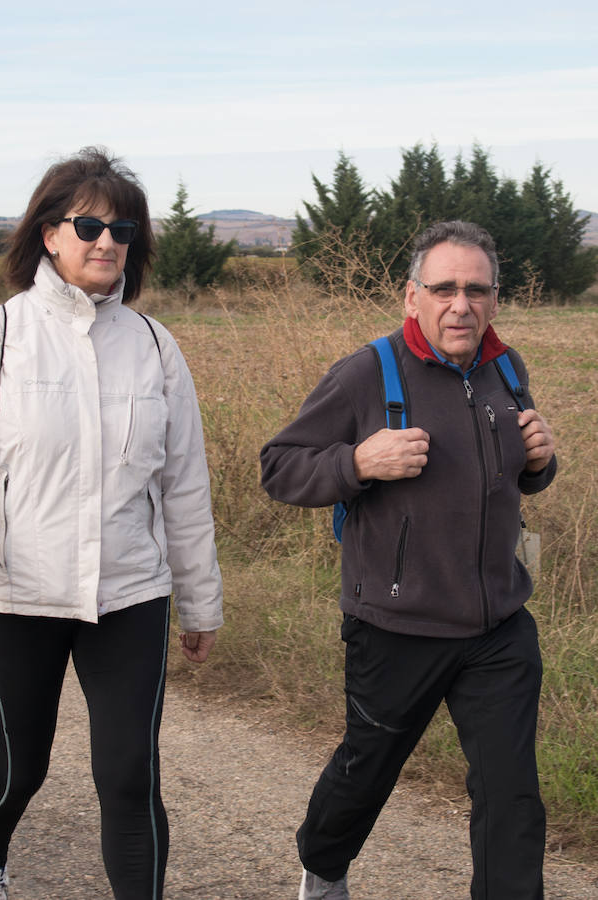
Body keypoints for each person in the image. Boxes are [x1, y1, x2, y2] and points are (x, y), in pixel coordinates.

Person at [0, 147, 223, 900]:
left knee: (128, 776)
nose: (106, 240)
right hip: (15, 597)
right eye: (88, 224)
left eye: (122, 229)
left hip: (129, 594)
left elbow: (182, 483)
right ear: (49, 234)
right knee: (20, 768)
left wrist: (200, 598)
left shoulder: (154, 347)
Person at [260, 220, 556, 900]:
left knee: (510, 795)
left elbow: (515, 472)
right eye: (444, 288)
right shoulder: (368, 372)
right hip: (396, 625)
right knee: (368, 767)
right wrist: (356, 461)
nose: (461, 305)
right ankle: (323, 862)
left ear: (494, 298)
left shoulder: (506, 369)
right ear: (410, 295)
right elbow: (278, 468)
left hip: (497, 627)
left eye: (476, 290)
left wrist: (539, 462)